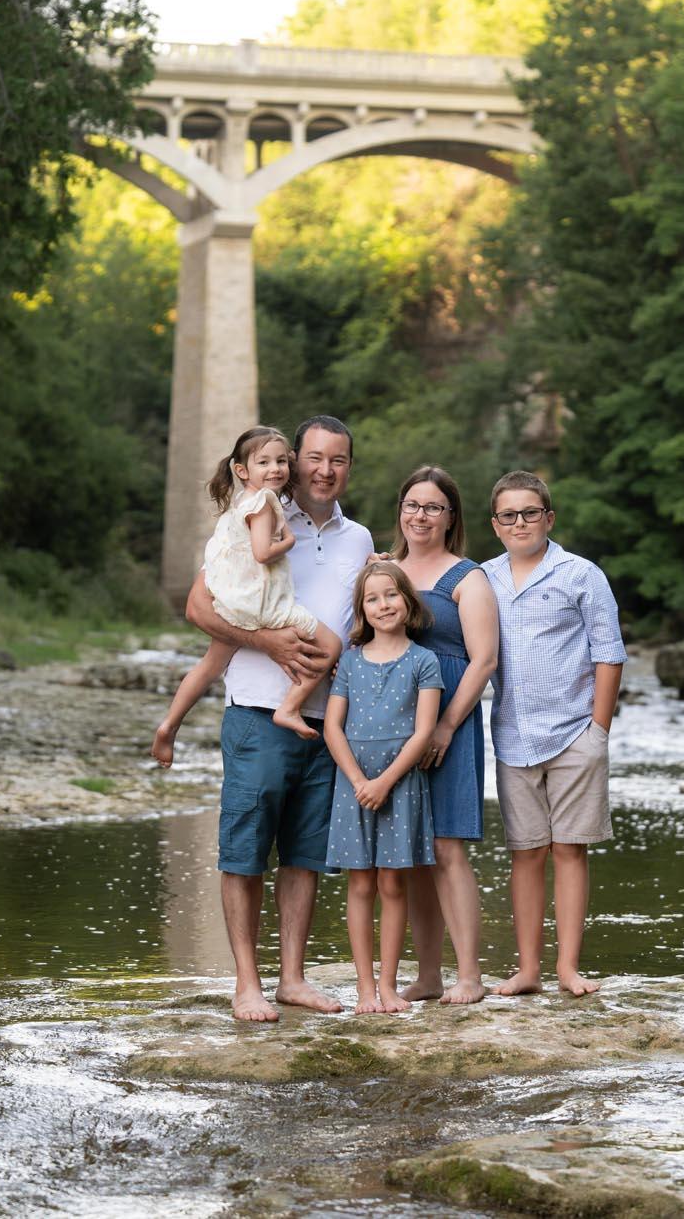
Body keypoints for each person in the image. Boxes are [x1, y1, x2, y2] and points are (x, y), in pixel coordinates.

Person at [183, 416, 374, 1022]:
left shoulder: (360, 540)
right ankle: (247, 984)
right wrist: (264, 642)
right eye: (313, 457)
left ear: (348, 467)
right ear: (293, 461)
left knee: (304, 854)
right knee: (245, 850)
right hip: (258, 712)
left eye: (337, 460)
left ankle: (292, 979)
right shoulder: (260, 514)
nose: (323, 470)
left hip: (328, 721)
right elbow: (198, 605)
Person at [482, 470, 625, 998]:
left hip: (574, 734)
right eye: (508, 515)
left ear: (549, 518)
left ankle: (567, 967)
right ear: (495, 525)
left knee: (569, 850)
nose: (520, 522)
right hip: (513, 736)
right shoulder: (484, 578)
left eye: (530, 513)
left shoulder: (581, 574)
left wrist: (598, 731)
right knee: (526, 852)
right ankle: (527, 969)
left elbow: (609, 653)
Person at [153, 426, 344, 764]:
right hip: (263, 604)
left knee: (210, 665)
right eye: (265, 462)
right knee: (330, 647)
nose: (276, 469)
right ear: (242, 470)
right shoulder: (266, 504)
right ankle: (290, 707)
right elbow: (261, 553)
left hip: (235, 599)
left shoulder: (239, 504)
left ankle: (169, 724)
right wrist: (287, 541)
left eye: (281, 461)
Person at [390, 466, 497, 1005]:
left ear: (451, 517)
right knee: (411, 852)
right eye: (412, 504)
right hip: (395, 719)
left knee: (447, 844)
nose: (420, 515)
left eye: (433, 507)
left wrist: (448, 725)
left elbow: (484, 659)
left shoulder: (468, 577)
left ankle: (469, 975)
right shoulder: (387, 572)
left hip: (451, 717)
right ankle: (427, 975)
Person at [323, 562, 444, 1013]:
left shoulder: (423, 661)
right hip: (354, 784)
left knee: (393, 885)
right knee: (360, 886)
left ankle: (389, 985)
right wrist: (359, 781)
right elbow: (333, 727)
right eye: (372, 599)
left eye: (391, 595)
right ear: (362, 610)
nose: (383, 605)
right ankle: (364, 989)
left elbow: (423, 731)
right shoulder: (351, 661)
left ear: (408, 602)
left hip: (401, 784)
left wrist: (385, 782)